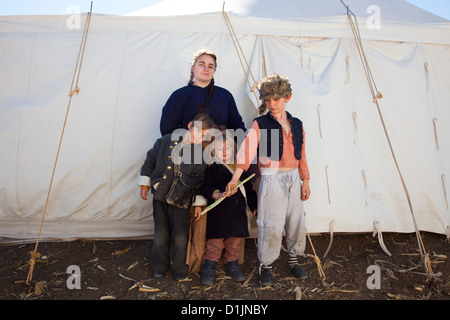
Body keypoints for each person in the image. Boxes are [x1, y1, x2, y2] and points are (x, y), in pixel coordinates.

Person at [225, 74, 311, 286]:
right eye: (267, 100)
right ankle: (267, 267)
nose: (271, 104)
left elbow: (302, 154)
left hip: (293, 178)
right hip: (272, 180)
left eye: (276, 99)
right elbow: (246, 152)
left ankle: (293, 261)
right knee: (270, 224)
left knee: (295, 222)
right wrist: (235, 178)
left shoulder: (297, 124)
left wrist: (305, 180)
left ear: (287, 98)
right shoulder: (261, 123)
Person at [139, 113, 214, 281]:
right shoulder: (165, 141)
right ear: (189, 125)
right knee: (160, 232)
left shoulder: (200, 155)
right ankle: (159, 265)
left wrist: (197, 204)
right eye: (197, 131)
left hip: (182, 200)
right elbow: (150, 161)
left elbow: (199, 182)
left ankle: (179, 268)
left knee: (180, 235)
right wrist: (145, 184)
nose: (198, 137)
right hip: (160, 195)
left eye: (203, 136)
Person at [194, 133, 257, 285]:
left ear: (234, 151)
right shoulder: (211, 170)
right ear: (213, 151)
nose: (224, 151)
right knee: (214, 243)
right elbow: (205, 187)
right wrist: (215, 194)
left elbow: (249, 190)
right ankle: (209, 267)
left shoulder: (240, 171)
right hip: (219, 215)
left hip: (237, 215)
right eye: (219, 148)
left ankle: (233, 265)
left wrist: (254, 205)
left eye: (227, 148)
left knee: (234, 243)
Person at [159, 48, 246, 135]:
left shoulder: (225, 95)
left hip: (220, 146)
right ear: (193, 68)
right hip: (190, 147)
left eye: (210, 66)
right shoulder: (179, 95)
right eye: (201, 64)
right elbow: (167, 129)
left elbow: (237, 125)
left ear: (214, 70)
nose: (206, 69)